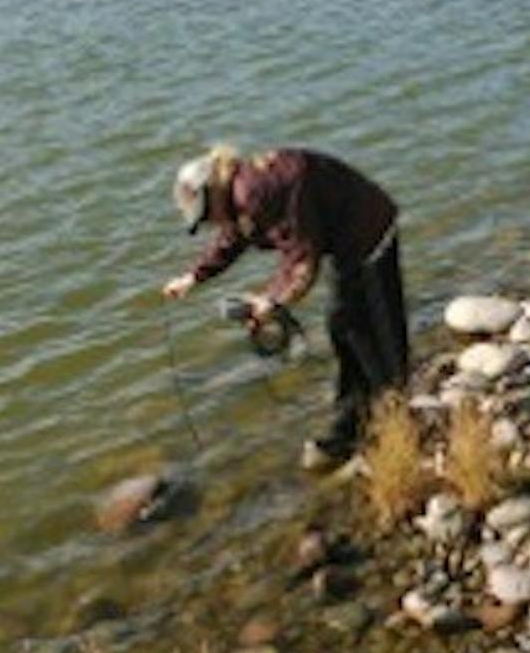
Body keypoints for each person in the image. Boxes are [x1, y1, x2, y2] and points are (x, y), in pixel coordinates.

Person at [162, 145, 408, 467]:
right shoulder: (238, 191)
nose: (210, 223)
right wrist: (194, 277)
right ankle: (353, 422)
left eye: (206, 216)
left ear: (213, 193)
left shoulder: (257, 192)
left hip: (369, 233)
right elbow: (234, 237)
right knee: (342, 326)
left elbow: (303, 259)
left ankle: (398, 419)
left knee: (370, 334)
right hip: (344, 241)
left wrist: (272, 301)